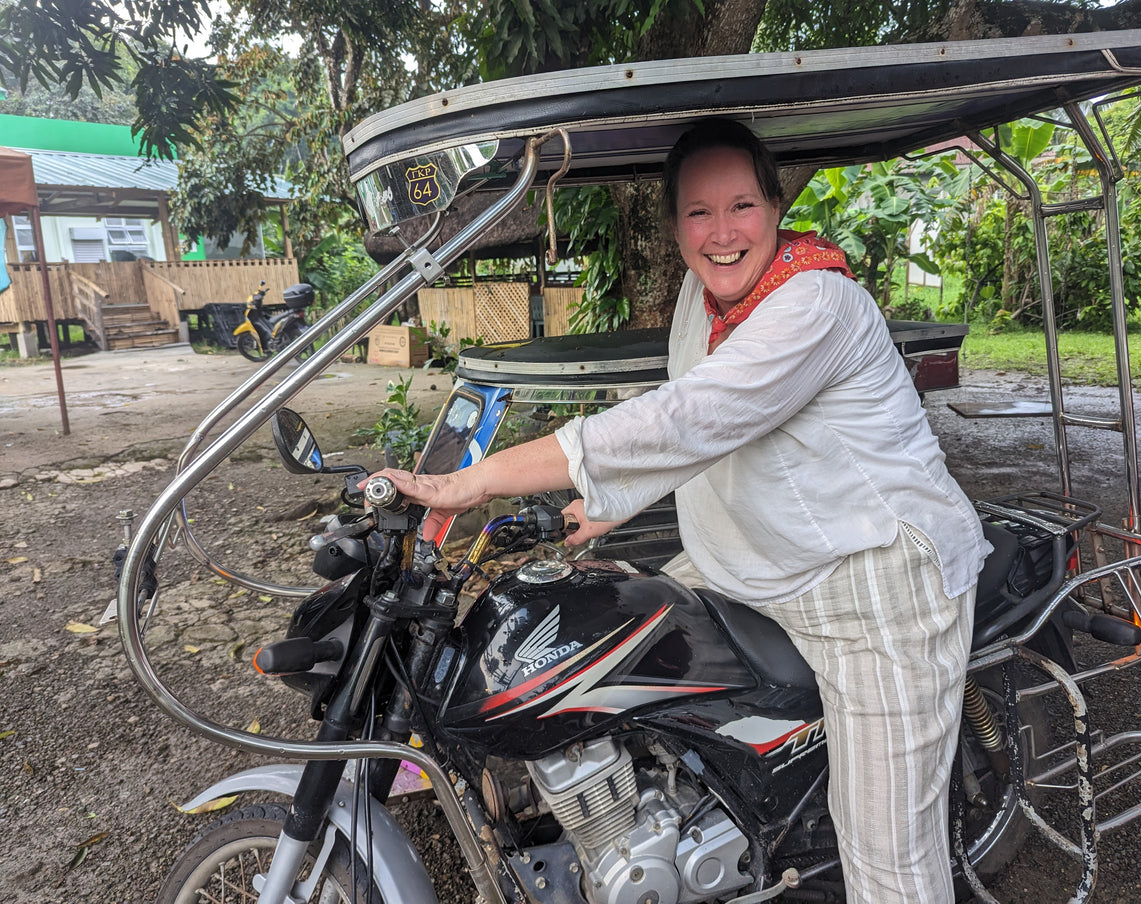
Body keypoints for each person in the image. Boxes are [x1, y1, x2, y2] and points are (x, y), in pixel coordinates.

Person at [367, 118, 991, 903]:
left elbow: (689, 418)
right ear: (675, 226)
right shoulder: (705, 298)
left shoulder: (816, 305)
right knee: (612, 630)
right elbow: (698, 430)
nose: (722, 232)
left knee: (886, 858)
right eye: (699, 212)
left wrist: (479, 479)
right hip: (759, 557)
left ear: (775, 207)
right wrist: (594, 511)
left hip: (874, 582)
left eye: (741, 207)